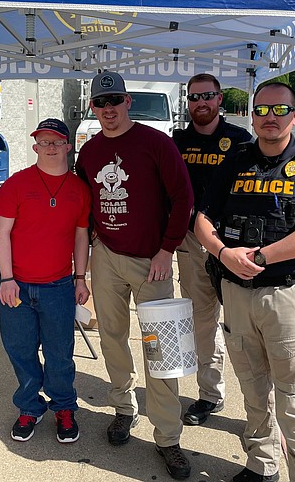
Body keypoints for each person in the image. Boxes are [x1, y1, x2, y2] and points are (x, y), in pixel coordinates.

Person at [194, 81, 295, 482]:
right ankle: (261, 465)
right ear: (252, 115)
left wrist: (261, 257)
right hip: (236, 294)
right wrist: (223, 253)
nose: (269, 118)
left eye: (279, 111)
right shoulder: (235, 160)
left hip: (286, 296)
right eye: (261, 110)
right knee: (253, 388)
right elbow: (203, 219)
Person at [75, 71, 194, 480]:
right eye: (100, 103)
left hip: (152, 260)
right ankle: (123, 408)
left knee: (163, 348)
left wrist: (167, 249)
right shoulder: (89, 151)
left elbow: (183, 198)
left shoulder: (156, 142)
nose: (108, 109)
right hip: (106, 255)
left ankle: (168, 435)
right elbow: (82, 200)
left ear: (128, 102)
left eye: (115, 101)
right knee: (112, 335)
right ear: (93, 107)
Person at [0, 118, 91, 444]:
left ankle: (63, 408)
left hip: (59, 286)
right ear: (34, 147)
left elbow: (81, 236)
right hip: (17, 285)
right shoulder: (16, 184)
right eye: (43, 142)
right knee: (21, 350)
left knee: (60, 353)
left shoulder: (79, 189)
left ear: (67, 145)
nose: (50, 147)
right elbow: (1, 234)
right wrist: (6, 278)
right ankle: (30, 407)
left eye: (56, 141)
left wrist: (80, 278)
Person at [172, 73, 252, 426]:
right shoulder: (178, 141)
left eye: (207, 96)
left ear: (220, 99)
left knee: (245, 328)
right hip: (192, 243)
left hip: (235, 244)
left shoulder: (240, 140)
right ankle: (210, 395)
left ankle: (257, 406)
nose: (200, 103)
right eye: (193, 97)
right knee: (203, 324)